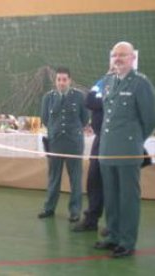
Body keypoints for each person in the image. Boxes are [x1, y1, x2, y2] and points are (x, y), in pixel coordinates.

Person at [94, 41, 155, 258]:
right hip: (107, 149)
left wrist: (134, 140)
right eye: (115, 55)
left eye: (122, 55)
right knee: (111, 197)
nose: (118, 58)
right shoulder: (109, 81)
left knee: (128, 198)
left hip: (128, 150)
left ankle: (127, 241)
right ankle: (113, 235)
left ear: (132, 58)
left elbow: (149, 119)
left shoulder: (140, 83)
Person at [38, 67, 89, 222]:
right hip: (55, 143)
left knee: (75, 179)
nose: (61, 82)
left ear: (69, 80)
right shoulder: (48, 97)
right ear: (56, 81)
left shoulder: (79, 97)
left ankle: (75, 211)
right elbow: (45, 119)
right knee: (53, 178)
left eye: (64, 79)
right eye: (59, 79)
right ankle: (49, 208)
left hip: (74, 143)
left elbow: (85, 119)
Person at [72, 65, 116, 232]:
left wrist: (102, 101)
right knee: (94, 179)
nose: (112, 72)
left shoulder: (127, 87)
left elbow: (111, 104)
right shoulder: (101, 82)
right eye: (111, 69)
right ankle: (91, 220)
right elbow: (89, 101)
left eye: (116, 70)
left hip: (116, 141)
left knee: (113, 183)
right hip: (100, 139)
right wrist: (105, 100)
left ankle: (114, 225)